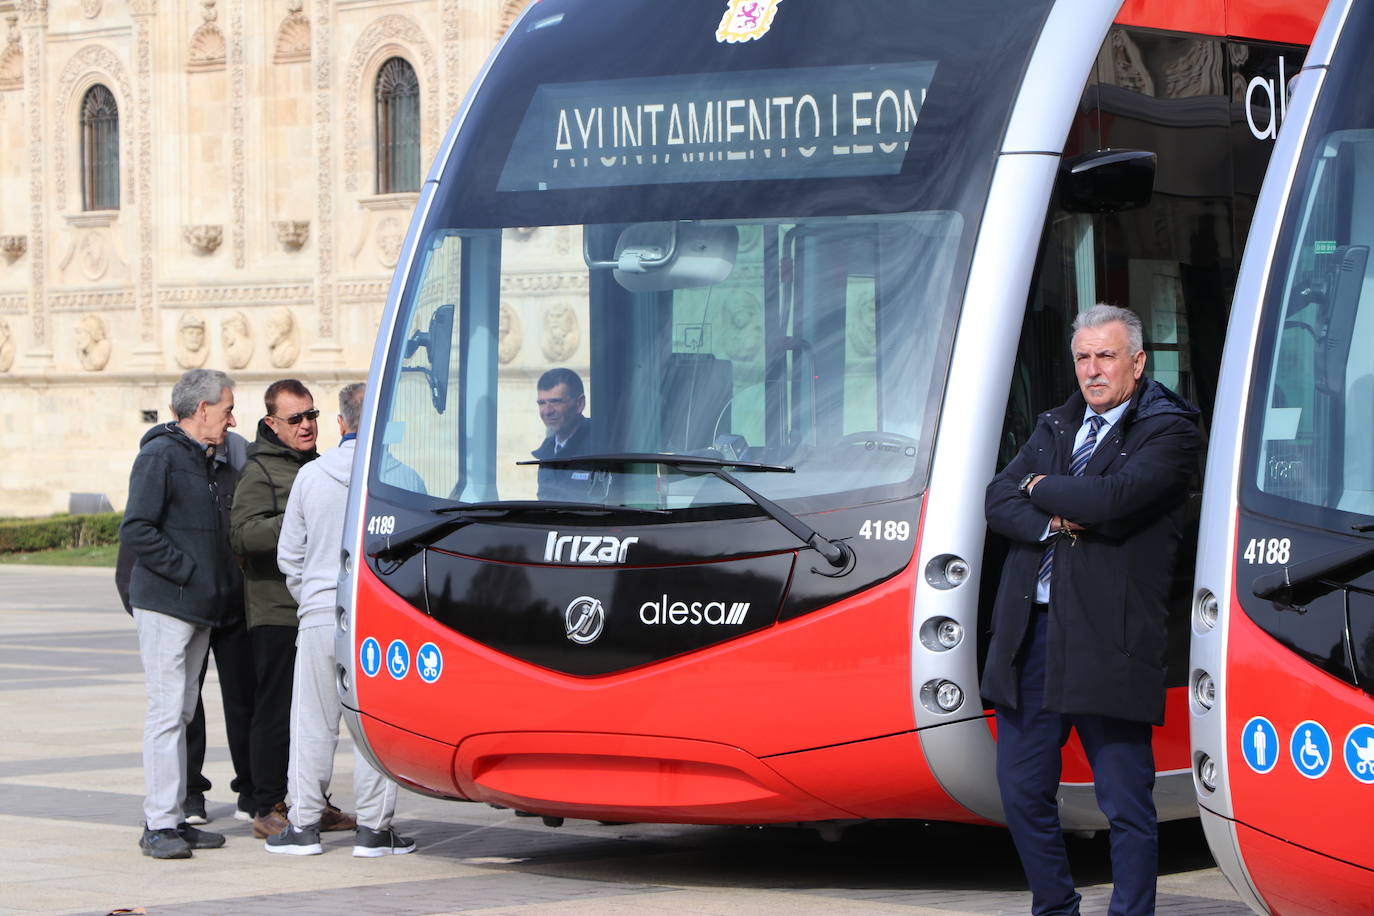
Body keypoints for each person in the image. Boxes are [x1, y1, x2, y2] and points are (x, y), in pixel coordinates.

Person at [982, 304, 1202, 916]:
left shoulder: (1169, 429)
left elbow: (1116, 498)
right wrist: (1053, 515)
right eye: (1083, 357)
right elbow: (997, 498)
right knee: (1023, 791)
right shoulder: (1057, 424)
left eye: (1106, 356)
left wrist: (1038, 487)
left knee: (1125, 800)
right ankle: (1055, 909)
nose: (1092, 370)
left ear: (1137, 360)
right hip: (1033, 634)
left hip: (1110, 634)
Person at [269, 383, 416, 857]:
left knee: (312, 721)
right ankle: (374, 829)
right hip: (376, 617)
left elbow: (289, 554)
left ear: (339, 423)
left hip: (317, 613)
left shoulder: (311, 476)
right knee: (372, 723)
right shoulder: (403, 478)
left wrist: (312, 597)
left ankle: (304, 824)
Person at [119, 369, 239, 859]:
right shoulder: (160, 455)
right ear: (203, 408)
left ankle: (173, 817)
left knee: (182, 711)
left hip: (197, 606)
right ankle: (159, 823)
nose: (233, 419)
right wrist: (188, 572)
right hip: (168, 603)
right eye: (228, 409)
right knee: (167, 712)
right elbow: (138, 529)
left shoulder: (202, 457)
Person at [229, 379, 355, 839]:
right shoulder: (260, 471)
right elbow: (241, 534)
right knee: (277, 710)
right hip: (277, 610)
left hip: (322, 610)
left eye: (312, 415)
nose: (306, 426)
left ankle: (309, 801)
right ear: (271, 424)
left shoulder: (318, 466)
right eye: (295, 419)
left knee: (319, 716)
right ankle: (267, 804)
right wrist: (302, 513)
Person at [530, 367, 595, 501]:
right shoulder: (546, 452)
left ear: (579, 404)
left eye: (555, 402)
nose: (547, 411)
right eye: (542, 403)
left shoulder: (598, 445)